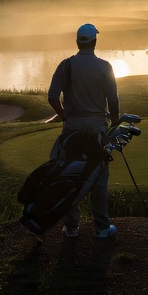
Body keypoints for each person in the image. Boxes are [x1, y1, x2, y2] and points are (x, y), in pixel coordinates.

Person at [47, 23, 120, 239]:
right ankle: (102, 227)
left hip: (71, 128)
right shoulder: (104, 67)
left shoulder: (66, 65)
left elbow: (52, 97)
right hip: (96, 127)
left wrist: (65, 116)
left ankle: (71, 227)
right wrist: (115, 123)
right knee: (98, 176)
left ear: (77, 42)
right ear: (95, 42)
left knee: (70, 175)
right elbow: (113, 101)